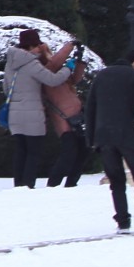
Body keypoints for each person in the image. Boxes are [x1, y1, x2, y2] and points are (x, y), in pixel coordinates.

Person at [85, 51, 134, 229]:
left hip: (104, 136)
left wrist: (91, 139)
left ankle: (123, 222)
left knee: (116, 182)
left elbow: (90, 107)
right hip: (127, 134)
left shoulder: (101, 75)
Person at [4, 29, 76, 188]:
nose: (39, 48)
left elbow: (5, 88)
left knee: (21, 151)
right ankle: (28, 185)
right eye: (37, 45)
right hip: (32, 115)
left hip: (14, 116)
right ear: (30, 47)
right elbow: (52, 80)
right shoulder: (32, 64)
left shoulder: (10, 64)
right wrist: (68, 68)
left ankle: (18, 185)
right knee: (33, 152)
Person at [43, 44, 90, 187]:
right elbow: (54, 63)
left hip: (76, 118)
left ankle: (71, 183)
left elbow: (74, 79)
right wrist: (70, 46)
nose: (51, 54)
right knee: (68, 153)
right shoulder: (47, 73)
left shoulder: (61, 74)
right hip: (64, 120)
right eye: (48, 52)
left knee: (83, 150)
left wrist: (79, 62)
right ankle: (53, 184)